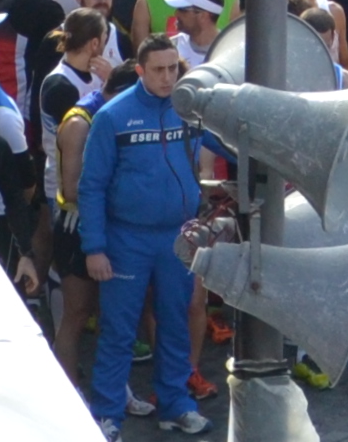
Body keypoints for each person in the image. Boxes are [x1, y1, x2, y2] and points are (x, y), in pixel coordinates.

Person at [77, 36, 212, 434]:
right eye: (158, 70)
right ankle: (108, 413)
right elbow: (92, 186)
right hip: (126, 240)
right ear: (139, 70)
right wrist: (94, 248)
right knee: (118, 329)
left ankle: (175, 404)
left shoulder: (189, 109)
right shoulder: (113, 116)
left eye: (174, 69)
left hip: (177, 238)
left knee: (175, 323)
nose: (168, 77)